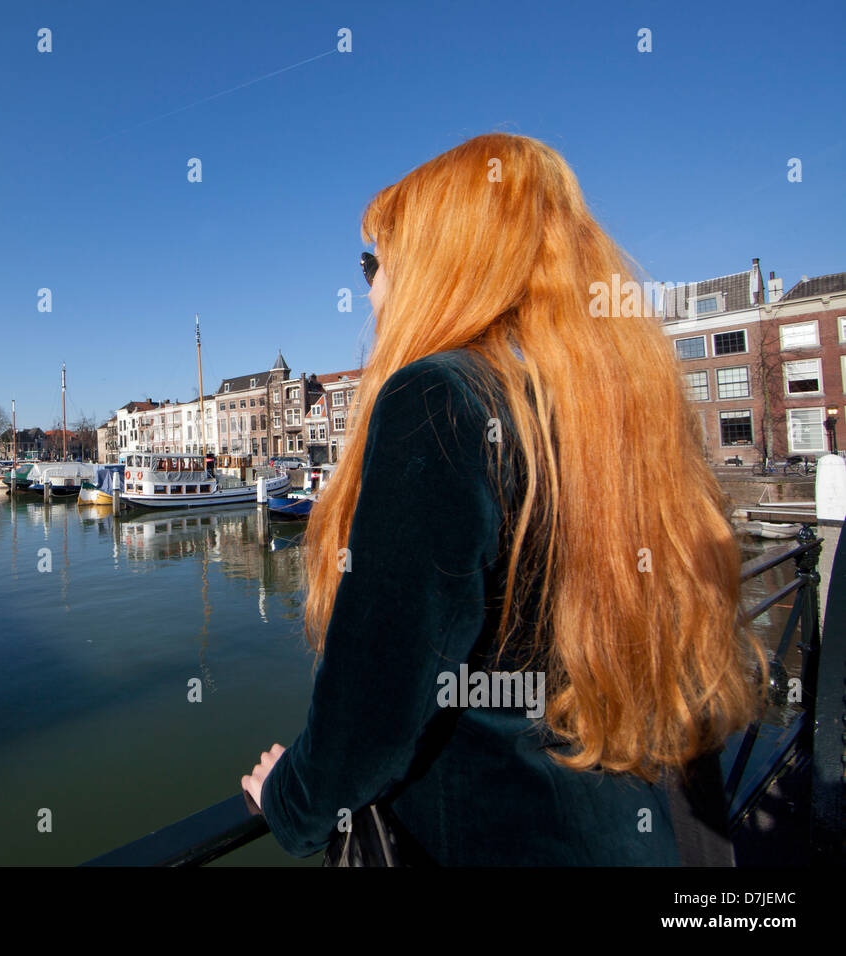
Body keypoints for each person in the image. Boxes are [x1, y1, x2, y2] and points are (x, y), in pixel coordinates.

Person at [240, 133, 765, 865]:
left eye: (373, 261)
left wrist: (293, 800)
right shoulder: (605, 404)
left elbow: (378, 691)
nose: (366, 288)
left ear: (436, 264)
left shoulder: (437, 397)